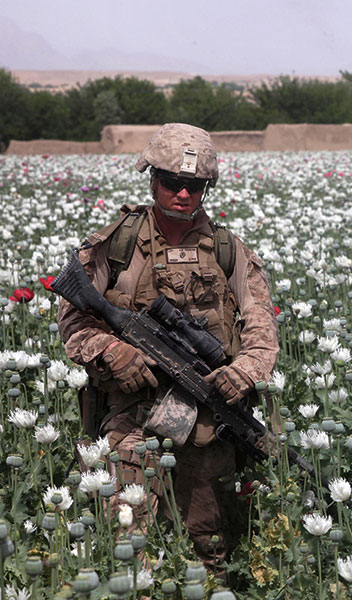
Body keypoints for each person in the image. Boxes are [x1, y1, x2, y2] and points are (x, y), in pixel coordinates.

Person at [57, 123, 279, 572]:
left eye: (194, 186)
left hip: (206, 416)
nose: (182, 194)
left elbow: (261, 324)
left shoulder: (226, 249)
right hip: (132, 416)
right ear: (152, 179)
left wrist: (245, 370)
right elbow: (72, 320)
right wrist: (112, 350)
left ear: (207, 188)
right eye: (172, 183)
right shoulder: (117, 245)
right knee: (125, 543)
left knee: (209, 545)